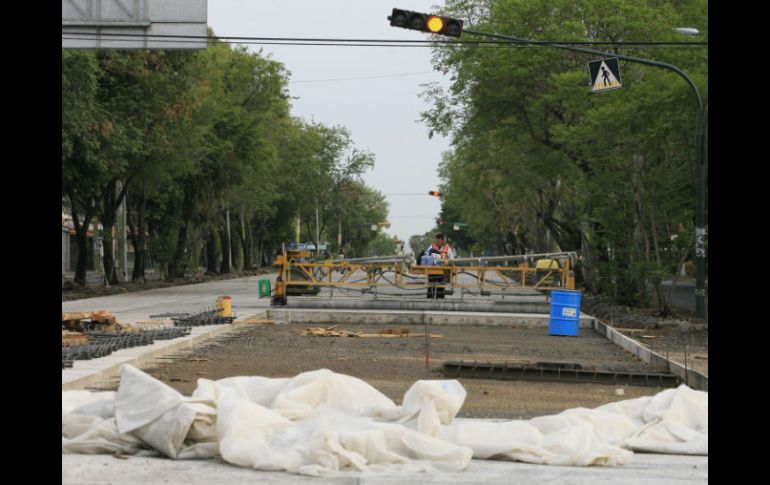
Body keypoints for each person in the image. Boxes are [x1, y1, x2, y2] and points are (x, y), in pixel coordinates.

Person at [423, 233, 454, 299]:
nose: (437, 242)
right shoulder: (431, 247)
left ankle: (440, 300)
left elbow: (452, 259)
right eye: (436, 241)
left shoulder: (447, 249)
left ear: (442, 241)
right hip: (432, 271)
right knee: (431, 286)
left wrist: (446, 262)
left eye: (439, 241)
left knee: (441, 287)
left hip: (442, 272)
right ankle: (429, 299)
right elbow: (426, 256)